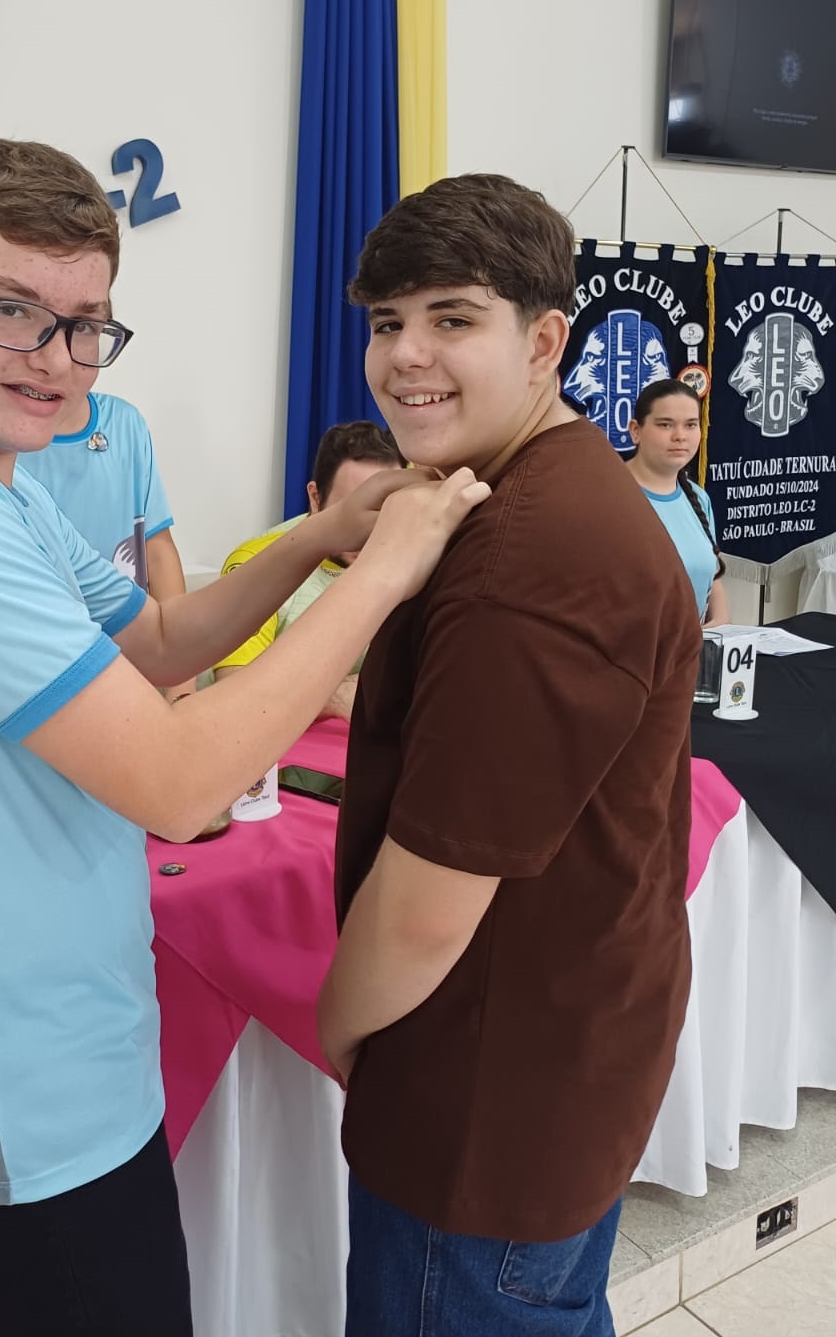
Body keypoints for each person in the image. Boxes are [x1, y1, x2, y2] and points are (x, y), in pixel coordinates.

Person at [0, 136, 488, 1337]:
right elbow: (178, 780)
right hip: (15, 1087)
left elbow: (155, 637)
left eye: (85, 323)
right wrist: (382, 578)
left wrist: (321, 540)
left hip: (18, 1052)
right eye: (11, 311)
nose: (56, 359)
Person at [316, 173, 700, 1336]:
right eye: (388, 320)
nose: (406, 354)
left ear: (544, 341)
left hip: (487, 1091)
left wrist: (341, 1028)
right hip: (555, 1051)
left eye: (452, 317)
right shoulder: (525, 492)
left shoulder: (533, 554)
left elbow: (431, 902)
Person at [213, 420, 405, 725]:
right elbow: (233, 689)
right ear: (315, 498)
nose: (369, 528)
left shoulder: (407, 555)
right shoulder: (260, 562)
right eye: (351, 508)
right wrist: (336, 696)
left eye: (384, 508)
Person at [19, 388, 193, 699]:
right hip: (43, 679)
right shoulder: (0, 441)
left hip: (134, 667)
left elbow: (158, 550)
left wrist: (181, 687)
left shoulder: (125, 423)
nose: (59, 364)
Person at [627, 379, 730, 624]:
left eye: (691, 425)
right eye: (665, 425)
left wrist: (721, 619)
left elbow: (709, 572)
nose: (680, 436)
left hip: (697, 644)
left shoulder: (698, 498)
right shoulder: (609, 497)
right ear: (635, 430)